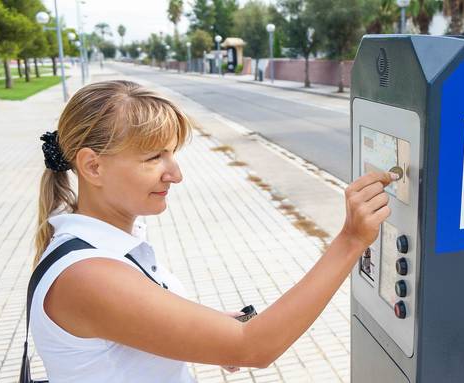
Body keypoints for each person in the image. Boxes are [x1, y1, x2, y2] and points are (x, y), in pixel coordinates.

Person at [31, 80, 394, 382]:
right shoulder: (87, 275)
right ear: (93, 166)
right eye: (153, 158)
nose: (175, 173)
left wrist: (208, 329)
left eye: (171, 153)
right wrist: (351, 240)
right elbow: (252, 348)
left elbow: (136, 322)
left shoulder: (102, 247)